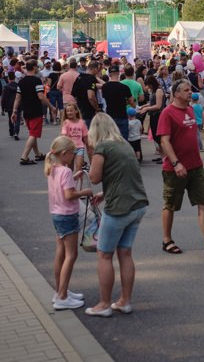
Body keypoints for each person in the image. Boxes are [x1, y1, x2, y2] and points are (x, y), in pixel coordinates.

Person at [85, 113, 149, 317]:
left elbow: (94, 178)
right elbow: (124, 175)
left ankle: (104, 304)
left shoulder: (102, 147)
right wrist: (106, 192)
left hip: (119, 208)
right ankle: (125, 301)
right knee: (125, 253)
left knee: (104, 254)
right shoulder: (124, 144)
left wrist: (89, 158)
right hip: (137, 204)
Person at [157, 79, 204, 255]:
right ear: (176, 94)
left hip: (196, 166)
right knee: (170, 204)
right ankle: (167, 240)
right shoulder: (167, 113)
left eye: (190, 89)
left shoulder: (190, 109)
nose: (190, 92)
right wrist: (176, 163)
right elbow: (164, 141)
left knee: (203, 202)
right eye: (186, 90)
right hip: (175, 168)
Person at [44, 135, 92, 310]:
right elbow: (69, 195)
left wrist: (75, 177)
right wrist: (85, 191)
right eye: (72, 153)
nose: (74, 156)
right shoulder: (65, 171)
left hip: (56, 214)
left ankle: (60, 290)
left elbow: (64, 188)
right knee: (71, 255)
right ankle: (62, 297)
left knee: (61, 253)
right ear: (64, 153)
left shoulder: (53, 168)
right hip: (67, 215)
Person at [12, 59, 57, 165]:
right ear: (34, 68)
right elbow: (41, 96)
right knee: (33, 134)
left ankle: (38, 154)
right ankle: (24, 156)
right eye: (37, 66)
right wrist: (51, 106)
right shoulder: (37, 81)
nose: (38, 68)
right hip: (36, 110)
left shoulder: (21, 81)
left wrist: (14, 111)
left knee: (33, 133)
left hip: (26, 110)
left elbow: (18, 97)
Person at [101, 65, 134, 140]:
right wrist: (126, 102)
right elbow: (132, 102)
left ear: (109, 74)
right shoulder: (124, 87)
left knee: (111, 139)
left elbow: (105, 99)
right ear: (118, 73)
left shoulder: (105, 87)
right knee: (123, 140)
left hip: (110, 116)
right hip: (122, 116)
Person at [61, 102, 90, 173]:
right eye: (67, 111)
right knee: (70, 169)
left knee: (79, 168)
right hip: (70, 148)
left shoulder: (81, 122)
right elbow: (64, 135)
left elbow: (85, 136)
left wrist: (89, 148)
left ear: (76, 111)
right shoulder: (66, 123)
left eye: (71, 110)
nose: (69, 113)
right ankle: (70, 182)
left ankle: (79, 183)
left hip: (80, 148)